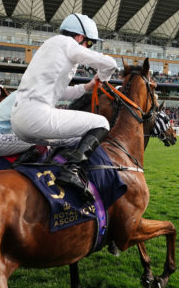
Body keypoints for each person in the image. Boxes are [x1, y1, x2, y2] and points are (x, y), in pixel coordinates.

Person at [10, 13, 117, 191]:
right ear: (80, 37)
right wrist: (103, 78)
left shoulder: (50, 47)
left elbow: (60, 93)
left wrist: (89, 86)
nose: (89, 47)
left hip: (20, 121)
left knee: (77, 139)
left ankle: (32, 158)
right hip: (36, 117)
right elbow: (110, 64)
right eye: (90, 43)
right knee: (102, 123)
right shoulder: (66, 43)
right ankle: (70, 172)